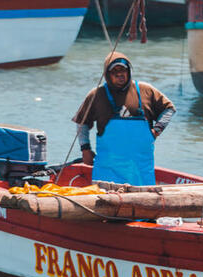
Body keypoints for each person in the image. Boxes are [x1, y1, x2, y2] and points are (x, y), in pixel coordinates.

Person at [73, 51, 175, 186]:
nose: (120, 74)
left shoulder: (146, 90)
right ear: (107, 75)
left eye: (123, 70)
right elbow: (82, 123)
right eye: (115, 71)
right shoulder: (96, 94)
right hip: (108, 169)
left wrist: (157, 129)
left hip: (140, 169)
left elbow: (169, 109)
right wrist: (85, 148)